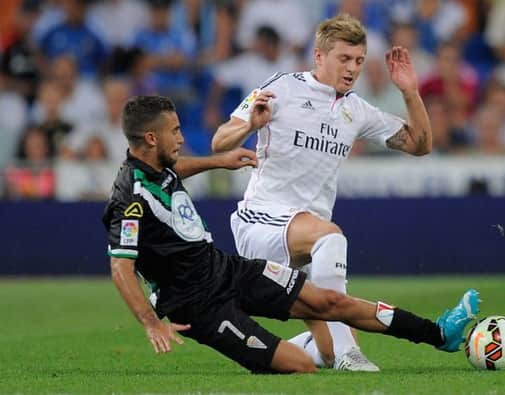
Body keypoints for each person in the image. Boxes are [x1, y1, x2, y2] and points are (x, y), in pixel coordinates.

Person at [105, 95, 480, 373]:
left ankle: (438, 333)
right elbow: (121, 268)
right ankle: (320, 351)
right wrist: (151, 323)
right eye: (174, 131)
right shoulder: (129, 198)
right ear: (151, 139)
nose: (181, 138)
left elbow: (173, 170)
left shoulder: (157, 166)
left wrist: (219, 160)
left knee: (332, 303)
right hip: (198, 305)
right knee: (302, 366)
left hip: (225, 269)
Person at [211, 13, 433, 371]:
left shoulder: (356, 110)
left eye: (359, 61)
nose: (352, 68)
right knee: (332, 236)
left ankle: (283, 353)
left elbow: (419, 144)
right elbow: (219, 140)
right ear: (319, 56)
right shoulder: (282, 87)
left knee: (323, 352)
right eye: (344, 59)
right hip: (261, 221)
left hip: (306, 243)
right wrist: (250, 123)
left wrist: (409, 92)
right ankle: (351, 355)